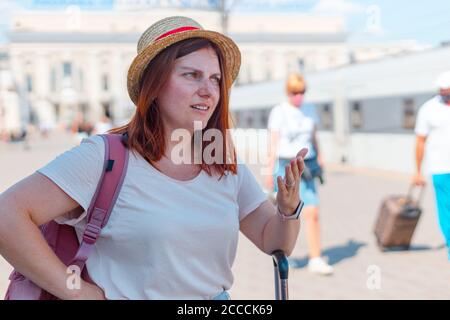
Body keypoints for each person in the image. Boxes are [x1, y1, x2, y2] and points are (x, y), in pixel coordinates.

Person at [0, 16, 309, 300]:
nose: (208, 90)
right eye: (192, 75)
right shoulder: (105, 158)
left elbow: (275, 242)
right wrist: (78, 292)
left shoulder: (223, 164)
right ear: (155, 84)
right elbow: (7, 215)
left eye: (215, 79)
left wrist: (287, 209)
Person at [266, 73, 333, 275]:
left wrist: (320, 156)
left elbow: (314, 136)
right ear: (288, 93)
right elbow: (273, 143)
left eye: (302, 92)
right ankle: (286, 254)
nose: (298, 97)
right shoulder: (279, 112)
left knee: (312, 212)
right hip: (286, 163)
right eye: (294, 92)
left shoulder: (310, 110)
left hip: (308, 164)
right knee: (287, 215)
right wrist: (269, 171)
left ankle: (315, 257)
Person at [413, 70, 450, 261]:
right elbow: (420, 141)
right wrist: (418, 172)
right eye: (443, 91)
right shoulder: (428, 109)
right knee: (446, 209)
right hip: (441, 169)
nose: (445, 94)